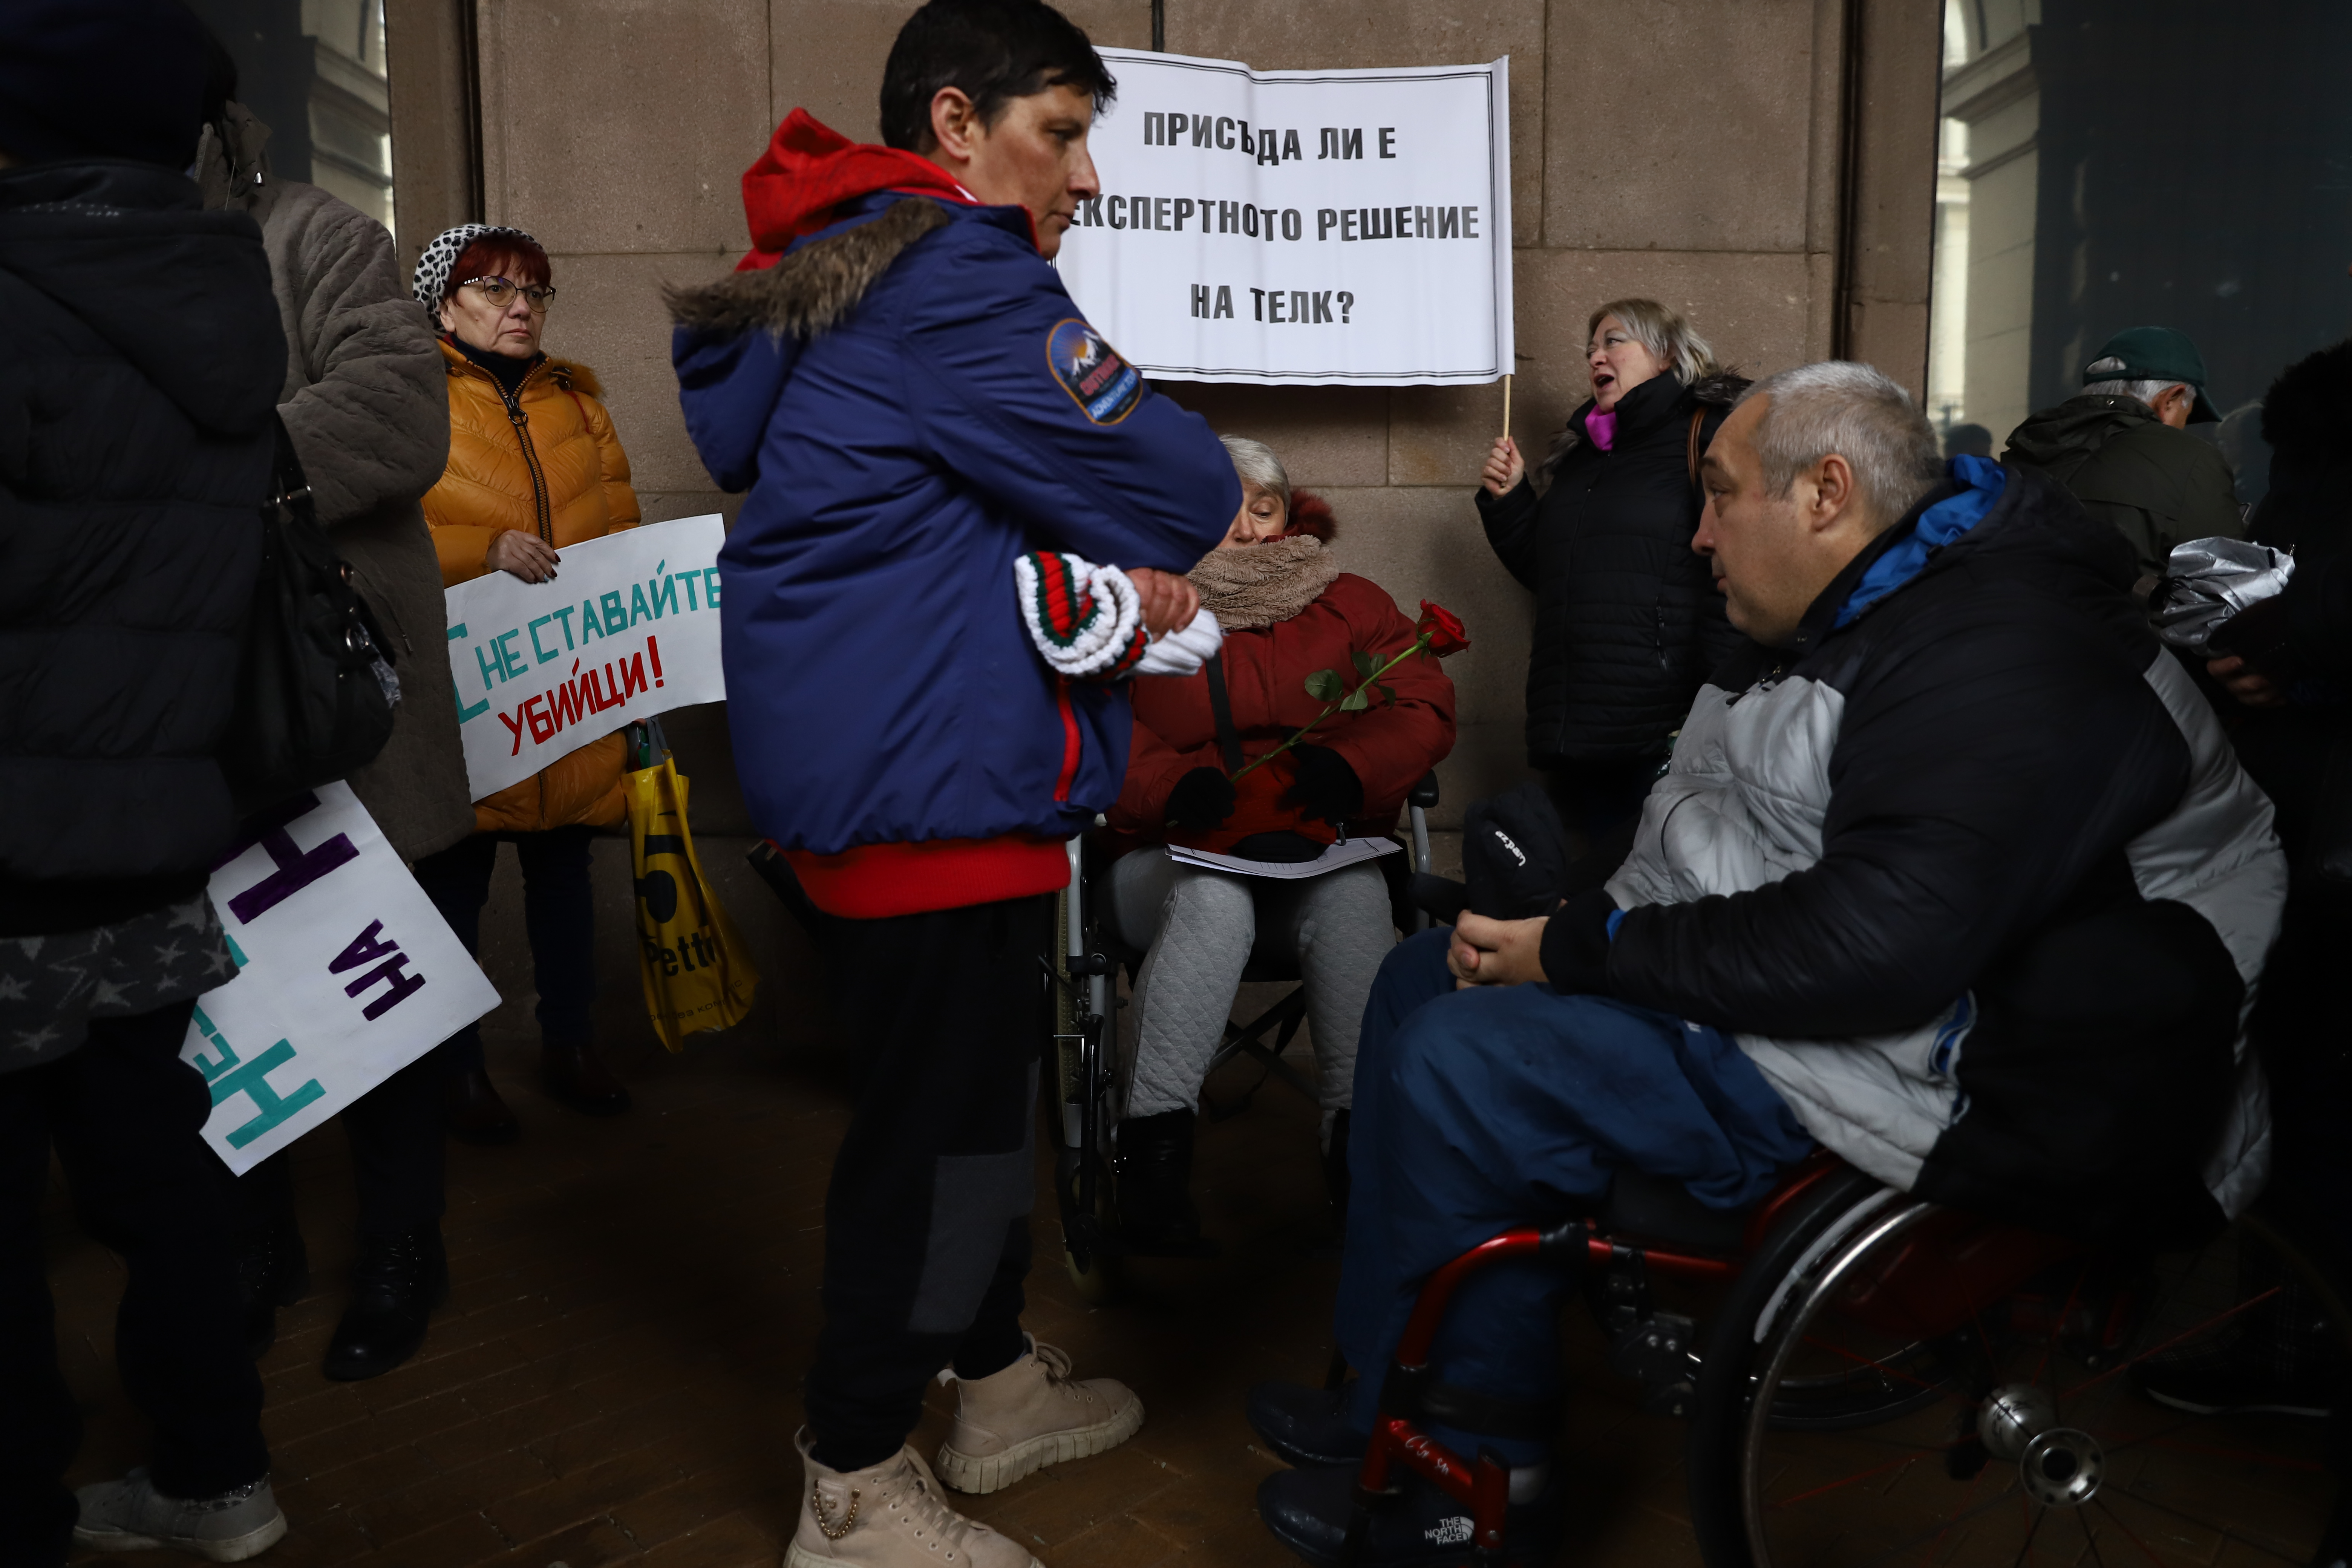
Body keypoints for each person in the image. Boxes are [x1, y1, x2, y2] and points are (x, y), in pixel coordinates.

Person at [1248, 363, 2285, 1566]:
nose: (1696, 536)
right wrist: (1577, 913)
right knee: (1419, 978)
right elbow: (1760, 832)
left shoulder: (2007, 649)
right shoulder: (1870, 604)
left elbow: (1881, 942)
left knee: (1464, 1062)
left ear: (1825, 495)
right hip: (1869, 993)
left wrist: (1583, 947)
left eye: (1719, 497)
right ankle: (1388, 1396)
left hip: (1994, 1055)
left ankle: (1487, 1481)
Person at [667, 2, 1235, 1561]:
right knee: (929, 1134)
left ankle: (984, 1378)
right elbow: (1178, 481)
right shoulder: (951, 273)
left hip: (931, 776)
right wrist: (1163, 517)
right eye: (1061, 131)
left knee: (984, 1109)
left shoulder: (866, 281)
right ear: (953, 128)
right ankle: (851, 1480)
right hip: (921, 783)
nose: (1087, 177)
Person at [0, 1, 289, 1558]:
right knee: (158, 1164)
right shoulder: (219, 290)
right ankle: (215, 1472)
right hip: (159, 822)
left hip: (16, 840)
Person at [190, 52, 482, 1384]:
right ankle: (258, 1246)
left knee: (388, 1002)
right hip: (197, 716)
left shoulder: (317, 235)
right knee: (229, 995)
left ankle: (400, 1246)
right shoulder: (86, 259)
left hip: (341, 698)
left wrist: (190, 485)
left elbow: (396, 410)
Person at [1102, 438, 1455, 1250]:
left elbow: (1420, 705)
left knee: (1358, 896)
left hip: (1312, 853)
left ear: (1289, 516)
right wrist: (1164, 788)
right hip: (1173, 859)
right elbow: (1093, 728)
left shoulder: (1353, 602)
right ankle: (1154, 1151)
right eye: (1227, 510)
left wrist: (1353, 765)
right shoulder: (1138, 606)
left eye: (1263, 509)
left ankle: (1357, 1143)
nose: (1249, 528)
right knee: (1215, 901)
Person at [411, 222, 642, 1147]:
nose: (520, 308)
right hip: (466, 683)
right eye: (495, 290)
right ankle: (457, 1067)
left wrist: (639, 648)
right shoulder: (412, 394)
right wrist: (483, 552)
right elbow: (367, 538)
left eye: (534, 292)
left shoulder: (575, 398)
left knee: (563, 872)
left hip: (569, 678)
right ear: (445, 306)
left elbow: (620, 522)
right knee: (455, 883)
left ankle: (570, 1041)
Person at [2161, 336, 2352, 1412]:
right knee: (2298, 1102)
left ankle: (2295, 1357)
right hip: (2295, 826)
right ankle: (2282, 1350)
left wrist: (2286, 649)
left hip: (2318, 838)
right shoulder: (2314, 430)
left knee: (2314, 1112)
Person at [1473, 299, 1749, 866]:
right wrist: (1512, 502)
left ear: (1666, 354)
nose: (1596, 356)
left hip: (1661, 729)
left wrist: (1711, 703)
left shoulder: (1707, 437)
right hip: (1582, 728)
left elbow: (1732, 574)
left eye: (1614, 341)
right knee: (1596, 892)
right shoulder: (1582, 455)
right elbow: (1552, 579)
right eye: (1591, 349)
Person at [2002, 325, 2244, 580]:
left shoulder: (2023, 448)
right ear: (2171, 399)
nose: (2183, 429)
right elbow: (2225, 590)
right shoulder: (2193, 461)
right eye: (2187, 416)